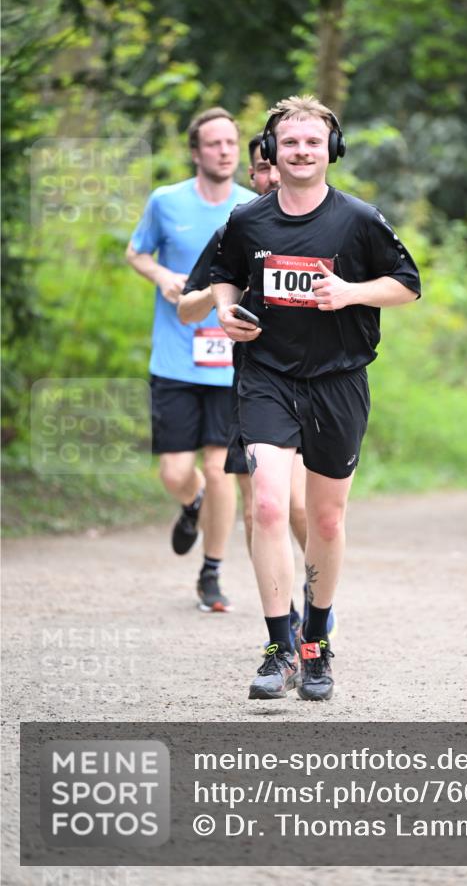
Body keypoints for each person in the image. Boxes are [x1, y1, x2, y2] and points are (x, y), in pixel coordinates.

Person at [210, 95, 421, 702]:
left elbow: (407, 285)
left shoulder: (358, 219)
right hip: (266, 374)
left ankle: (316, 640)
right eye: (290, 142)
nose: (301, 151)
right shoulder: (250, 220)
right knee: (271, 507)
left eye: (312, 141)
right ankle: (279, 644)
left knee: (326, 518)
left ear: (331, 149)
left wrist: (351, 291)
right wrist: (226, 311)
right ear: (273, 151)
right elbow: (224, 272)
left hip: (338, 379)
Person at [178, 134, 332, 644]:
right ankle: (283, 615)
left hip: (315, 385)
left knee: (302, 508)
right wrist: (220, 303)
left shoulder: (328, 222)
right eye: (262, 168)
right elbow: (187, 306)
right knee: (259, 505)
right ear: (253, 176)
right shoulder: (239, 229)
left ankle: (318, 597)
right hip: (254, 383)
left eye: (276, 166)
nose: (271, 176)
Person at [126, 107, 256, 612]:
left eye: (231, 143)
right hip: (176, 358)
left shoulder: (251, 208)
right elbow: (137, 252)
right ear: (196, 151)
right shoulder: (166, 201)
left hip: (231, 361)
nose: (224, 151)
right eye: (214, 143)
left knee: (220, 467)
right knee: (177, 473)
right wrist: (161, 277)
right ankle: (191, 502)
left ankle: (212, 573)